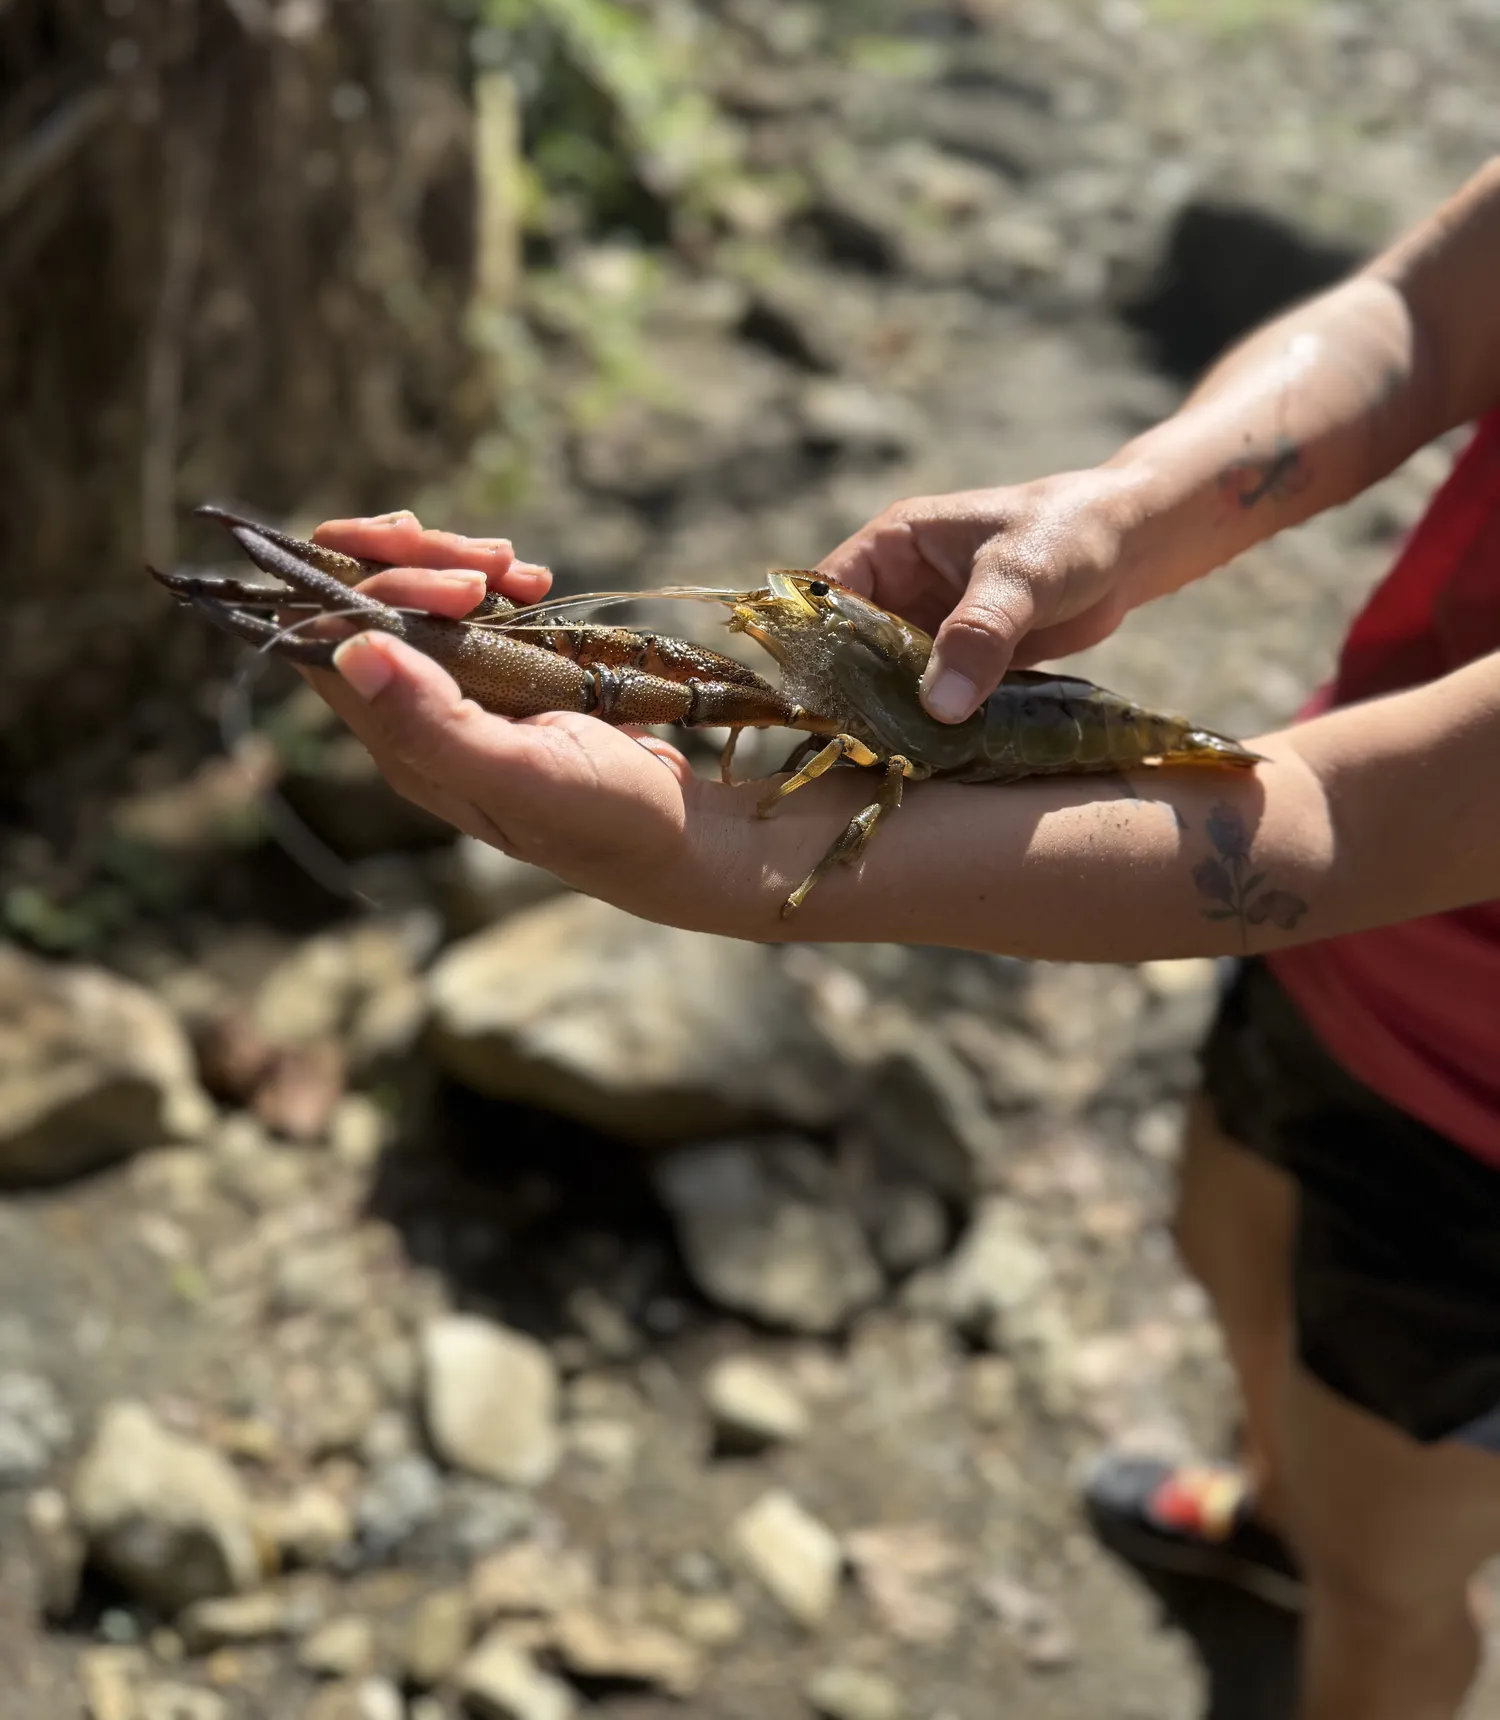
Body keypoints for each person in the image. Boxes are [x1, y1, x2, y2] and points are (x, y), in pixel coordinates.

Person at [306, 158, 1500, 1720]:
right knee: (1230, 1234)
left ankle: (1330, 1570)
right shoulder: (812, 670)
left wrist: (766, 876)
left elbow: (1332, 832)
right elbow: (1420, 307)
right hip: (1329, 968)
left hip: (1473, 1117)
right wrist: (1122, 512)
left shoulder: (900, 751)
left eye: (800, 617)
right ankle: (1269, 1514)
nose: (778, 619)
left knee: (1389, 1564)